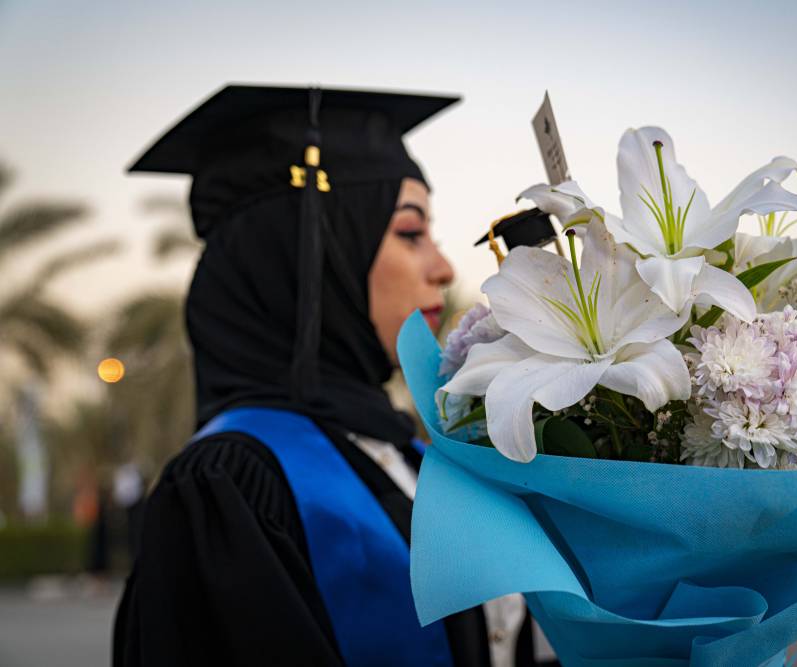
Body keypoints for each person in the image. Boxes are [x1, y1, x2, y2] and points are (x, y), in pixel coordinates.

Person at [113, 85, 556, 667]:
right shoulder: (229, 486)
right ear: (310, 256)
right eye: (409, 232)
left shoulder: (410, 457)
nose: (444, 267)